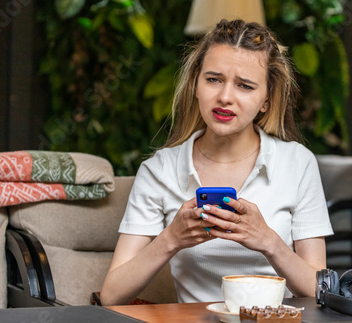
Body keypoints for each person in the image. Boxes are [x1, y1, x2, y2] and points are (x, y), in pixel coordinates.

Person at [100, 19, 333, 305]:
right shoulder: (159, 170)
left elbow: (319, 292)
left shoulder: (298, 163)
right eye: (213, 79)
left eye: (245, 86)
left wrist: (269, 242)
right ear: (196, 85)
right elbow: (112, 295)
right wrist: (171, 238)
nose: (224, 97)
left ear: (266, 100)